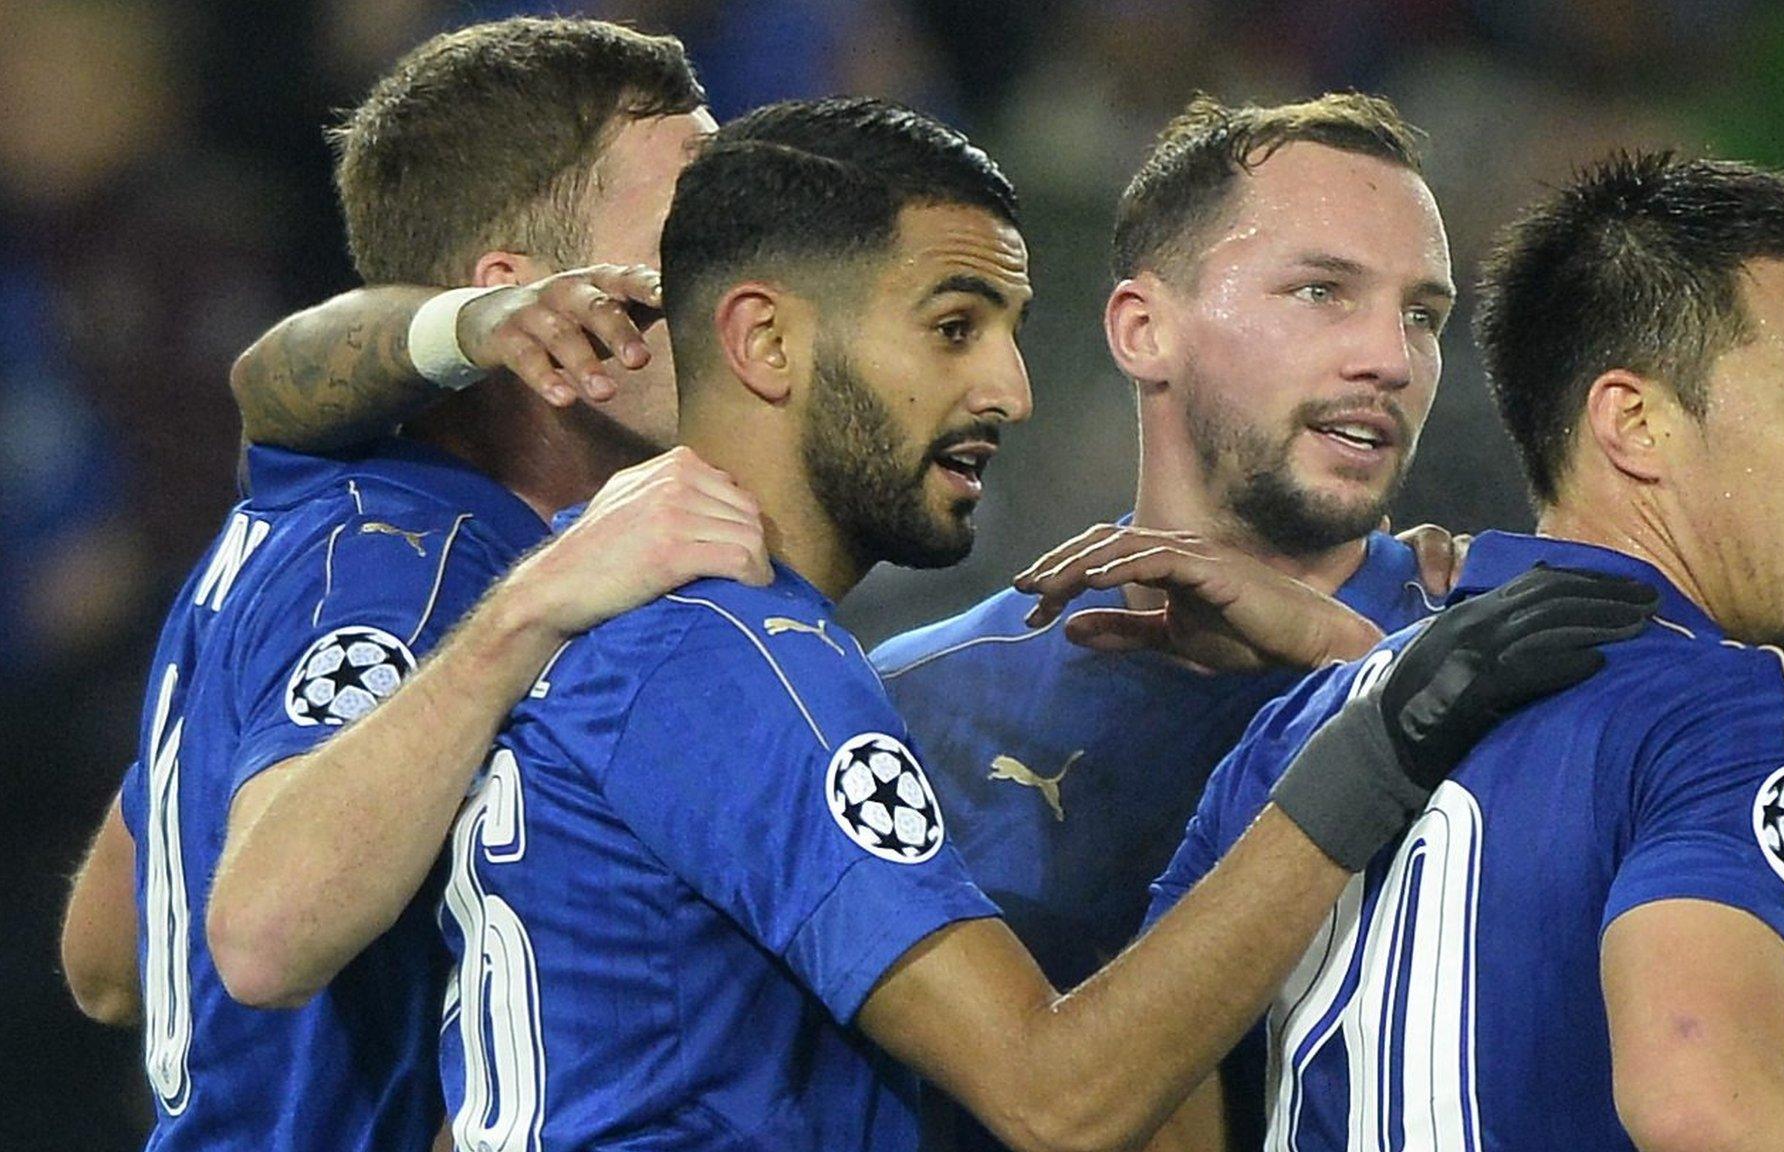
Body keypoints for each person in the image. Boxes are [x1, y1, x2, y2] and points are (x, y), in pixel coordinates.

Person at [437, 95, 1654, 1151]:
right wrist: (1385, 721)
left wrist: (1371, 667)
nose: (1008, 389)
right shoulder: (797, 677)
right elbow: (1055, 1094)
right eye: (953, 327)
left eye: (1425, 316)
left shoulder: (600, 605)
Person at [57, 19, 768, 1150]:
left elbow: (108, 957)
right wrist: (522, 620)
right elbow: (263, 936)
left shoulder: (324, 515)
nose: (745, 288)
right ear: (531, 302)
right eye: (694, 240)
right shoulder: (418, 569)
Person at [1148, 151, 1784, 1149]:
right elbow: (1704, 1100)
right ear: (1634, 423)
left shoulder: (1295, 729)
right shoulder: (1737, 709)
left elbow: (1148, 1099)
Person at [866, 92, 1454, 1146]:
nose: (1392, 359)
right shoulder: (917, 707)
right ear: (1145, 330)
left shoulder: (1501, 657)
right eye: (1321, 291)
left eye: (1421, 315)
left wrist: (1362, 665)